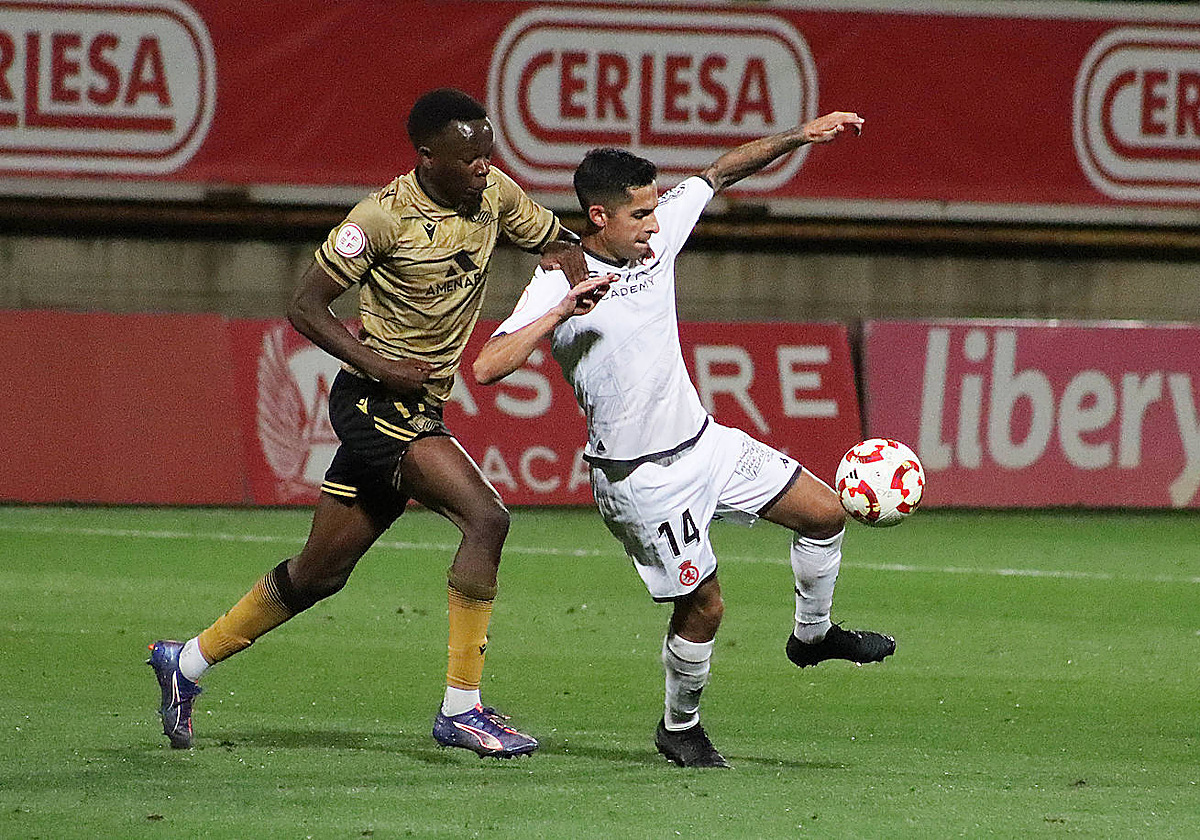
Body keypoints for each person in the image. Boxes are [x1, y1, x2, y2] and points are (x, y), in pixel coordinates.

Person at [147, 88, 587, 757]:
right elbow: (305, 306)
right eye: (468, 157)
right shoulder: (380, 219)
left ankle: (186, 663)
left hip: (417, 403)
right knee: (487, 517)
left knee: (321, 572)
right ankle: (461, 710)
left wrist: (576, 270)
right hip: (376, 404)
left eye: (488, 154)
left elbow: (555, 238)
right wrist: (382, 366)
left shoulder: (493, 192)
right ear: (427, 155)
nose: (483, 166)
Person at [472, 111, 894, 768]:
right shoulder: (558, 275)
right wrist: (560, 312)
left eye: (654, 208)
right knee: (705, 607)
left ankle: (812, 637)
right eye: (640, 213)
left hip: (705, 445)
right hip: (639, 479)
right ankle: (680, 727)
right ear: (599, 217)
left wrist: (799, 136)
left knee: (824, 512)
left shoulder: (657, 241)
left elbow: (719, 172)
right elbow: (488, 366)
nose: (655, 223)